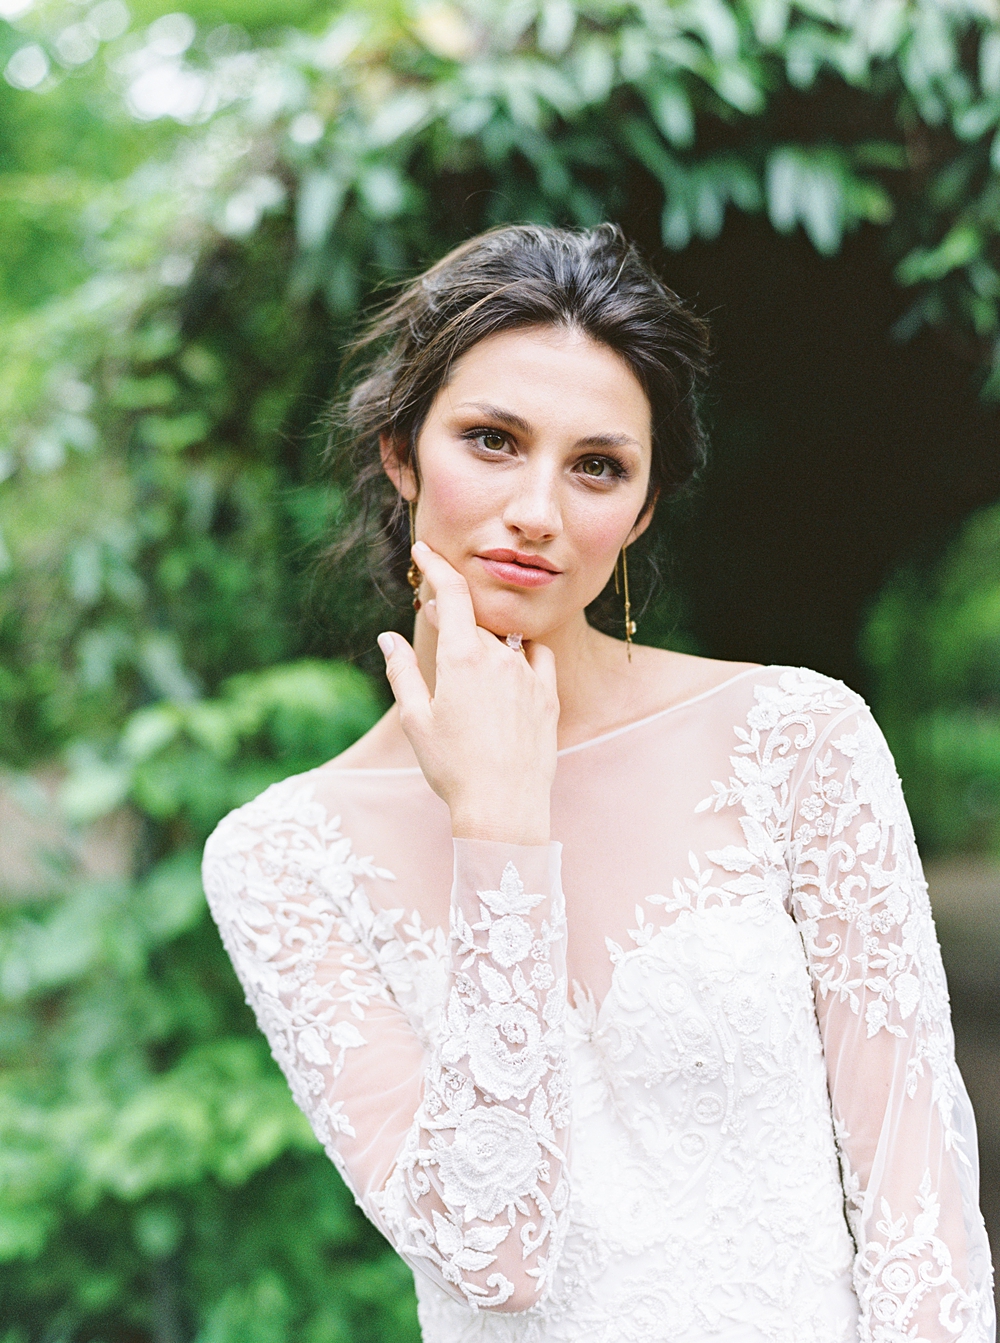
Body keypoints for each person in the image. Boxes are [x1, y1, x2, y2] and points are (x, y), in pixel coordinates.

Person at [201, 223, 994, 1342]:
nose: (537, 508)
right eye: (489, 439)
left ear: (643, 506)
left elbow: (919, 1208)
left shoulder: (795, 740)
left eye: (596, 465)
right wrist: (498, 831)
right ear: (399, 450)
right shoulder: (279, 859)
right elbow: (495, 1254)